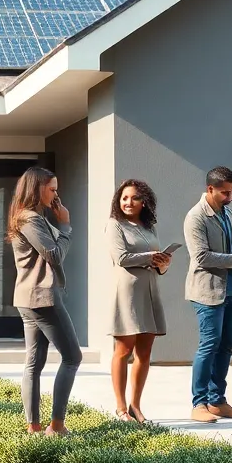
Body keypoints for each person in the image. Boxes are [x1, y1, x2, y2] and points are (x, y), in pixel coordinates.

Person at [9, 166, 82, 436]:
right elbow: (54, 255)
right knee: (72, 357)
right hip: (42, 298)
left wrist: (57, 221)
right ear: (36, 188)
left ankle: (34, 427)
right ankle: (57, 426)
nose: (55, 195)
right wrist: (66, 226)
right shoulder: (30, 219)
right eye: (51, 189)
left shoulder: (31, 216)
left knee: (34, 363)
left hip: (30, 297)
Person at [182, 166, 232, 424]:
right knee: (209, 345)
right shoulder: (196, 217)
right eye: (225, 192)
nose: (230, 197)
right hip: (207, 291)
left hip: (231, 289)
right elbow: (201, 257)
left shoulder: (228, 214)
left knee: (227, 345)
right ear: (210, 189)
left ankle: (217, 401)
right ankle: (199, 403)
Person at [105, 178, 170, 424]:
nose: (128, 202)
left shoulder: (149, 226)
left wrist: (163, 264)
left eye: (134, 198)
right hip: (128, 293)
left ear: (144, 201)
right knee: (123, 351)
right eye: (124, 198)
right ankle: (121, 408)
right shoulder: (115, 225)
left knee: (145, 352)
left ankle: (135, 407)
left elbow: (157, 262)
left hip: (150, 290)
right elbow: (121, 258)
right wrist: (151, 256)